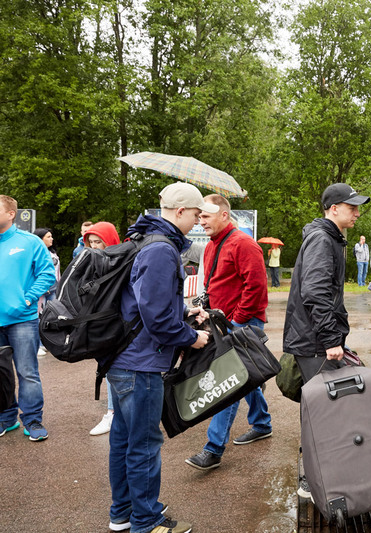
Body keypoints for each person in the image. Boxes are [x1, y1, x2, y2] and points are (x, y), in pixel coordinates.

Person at [106, 182, 213, 533]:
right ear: (179, 212)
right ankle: (147, 520)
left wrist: (184, 312)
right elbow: (155, 317)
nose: (198, 221)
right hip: (141, 364)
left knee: (123, 440)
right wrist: (191, 336)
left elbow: (143, 304)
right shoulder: (161, 249)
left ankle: (123, 512)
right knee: (143, 445)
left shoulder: (143, 240)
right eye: (196, 214)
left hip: (124, 359)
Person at [283, 182, 369, 498]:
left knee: (319, 405)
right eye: (352, 207)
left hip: (316, 339)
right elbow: (315, 292)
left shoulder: (329, 238)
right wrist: (332, 340)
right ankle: (315, 479)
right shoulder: (322, 239)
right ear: (334, 209)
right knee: (325, 409)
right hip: (317, 342)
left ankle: (318, 474)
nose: (357, 213)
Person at [186, 194, 272, 472]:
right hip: (222, 322)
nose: (201, 221)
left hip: (241, 323)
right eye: (199, 217)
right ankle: (262, 424)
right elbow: (214, 284)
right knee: (245, 377)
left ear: (224, 215)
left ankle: (213, 449)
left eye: (206, 216)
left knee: (230, 382)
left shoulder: (244, 243)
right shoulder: (212, 245)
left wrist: (238, 319)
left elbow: (257, 287)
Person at [0, 195, 57, 442]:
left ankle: (32, 420)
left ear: (11, 213)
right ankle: (6, 417)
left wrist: (27, 299)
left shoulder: (30, 242)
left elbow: (47, 275)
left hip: (22, 318)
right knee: (1, 374)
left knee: (27, 371)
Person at [83, 222, 122, 437]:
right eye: (92, 242)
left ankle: (113, 413)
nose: (95, 246)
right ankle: (112, 412)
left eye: (99, 241)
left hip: (119, 327)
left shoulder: (123, 261)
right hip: (101, 325)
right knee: (108, 369)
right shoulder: (91, 262)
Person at [33, 228, 61, 356]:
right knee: (38, 315)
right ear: (40, 238)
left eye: (51, 236)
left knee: (52, 315)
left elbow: (57, 272)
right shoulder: (35, 252)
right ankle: (37, 344)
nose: (51, 239)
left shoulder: (52, 252)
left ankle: (48, 342)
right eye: (48, 237)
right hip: (41, 290)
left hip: (54, 287)